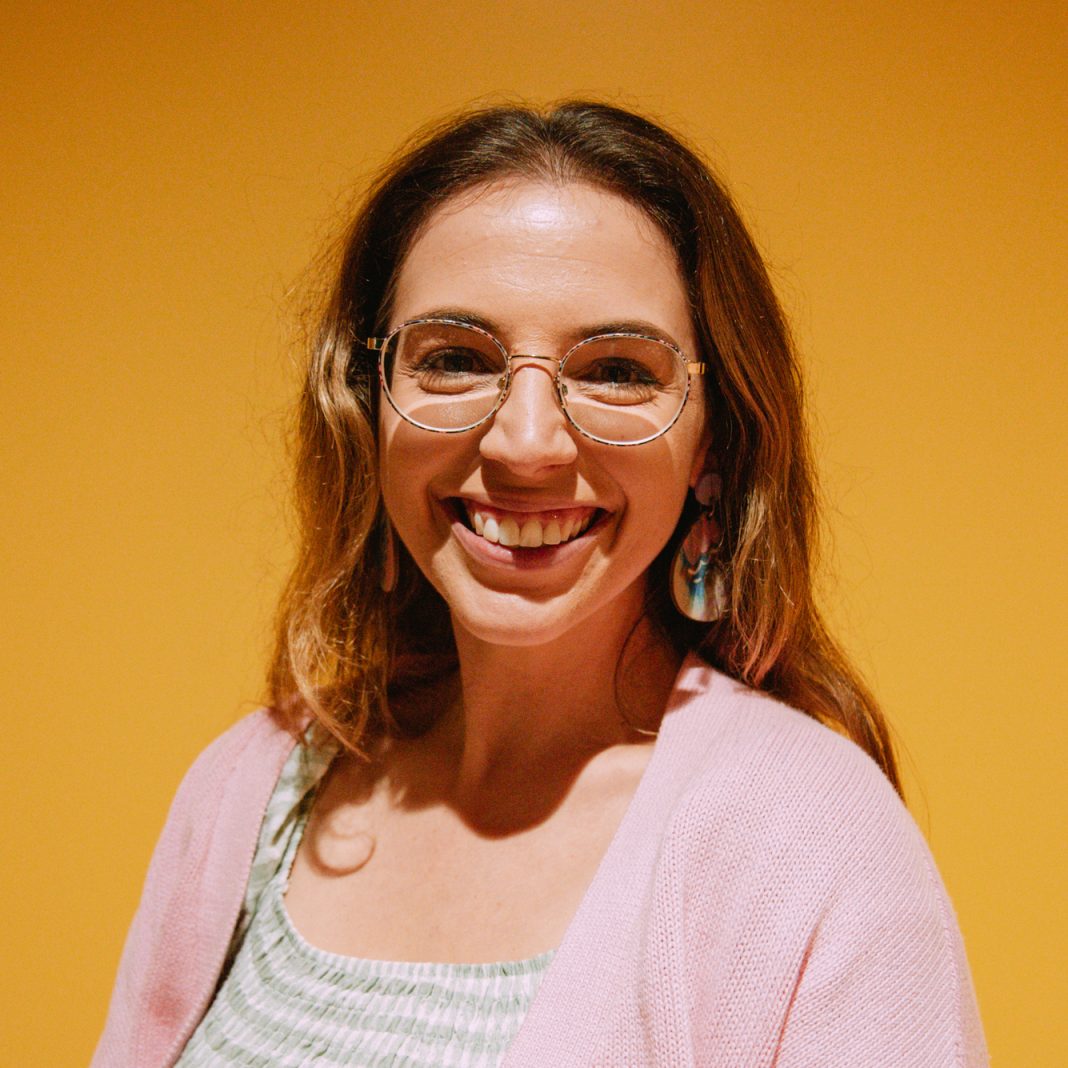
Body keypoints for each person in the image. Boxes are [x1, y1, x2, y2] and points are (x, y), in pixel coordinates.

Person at [93, 102, 988, 1067]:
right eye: (455, 359)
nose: (525, 444)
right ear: (365, 408)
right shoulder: (251, 790)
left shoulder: (818, 850)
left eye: (615, 370)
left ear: (714, 445)